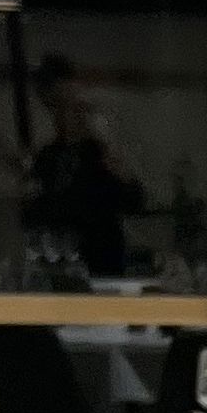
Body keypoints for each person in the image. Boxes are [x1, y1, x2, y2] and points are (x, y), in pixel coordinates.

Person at [24, 60, 146, 278]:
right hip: (59, 264)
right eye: (63, 106)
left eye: (80, 108)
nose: (75, 114)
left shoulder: (101, 154)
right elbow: (35, 212)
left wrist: (122, 173)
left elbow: (135, 202)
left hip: (102, 263)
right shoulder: (49, 157)